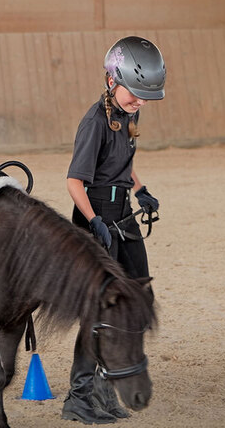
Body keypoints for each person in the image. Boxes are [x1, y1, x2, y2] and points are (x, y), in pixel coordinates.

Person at [61, 36, 166, 424]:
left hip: (123, 213)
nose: (139, 102)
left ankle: (108, 388)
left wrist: (142, 192)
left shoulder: (127, 115)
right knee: (102, 310)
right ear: (111, 81)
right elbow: (74, 181)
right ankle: (79, 396)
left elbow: (124, 163)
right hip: (99, 216)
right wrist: (94, 221)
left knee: (139, 292)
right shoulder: (94, 123)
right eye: (134, 94)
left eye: (144, 97)